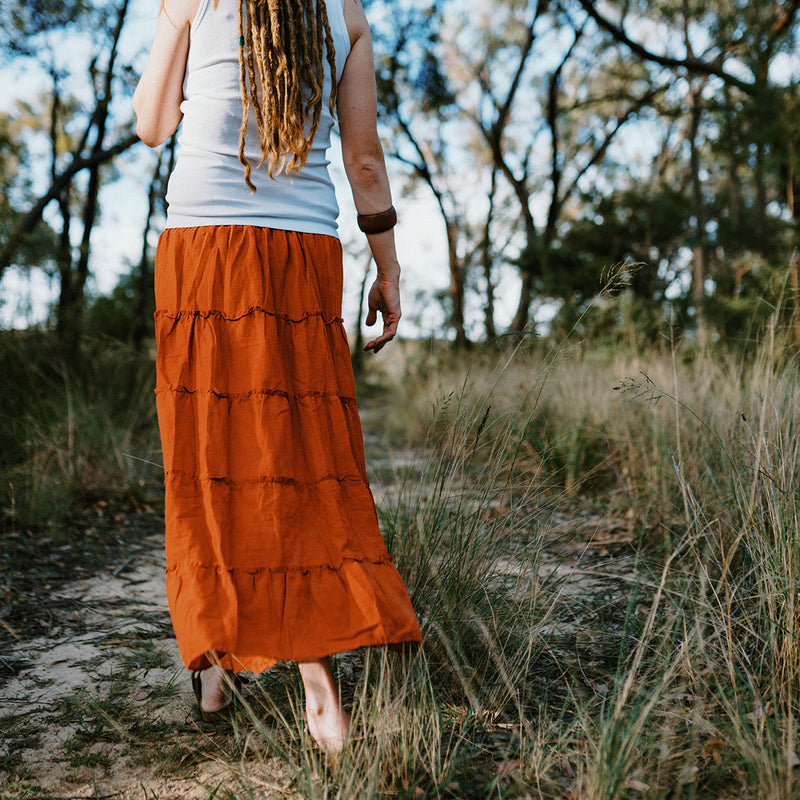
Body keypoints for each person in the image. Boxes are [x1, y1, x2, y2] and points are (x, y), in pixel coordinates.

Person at [133, 0, 422, 753]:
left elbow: (152, 123)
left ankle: (215, 656)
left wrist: (171, 22)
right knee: (297, 462)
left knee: (209, 461)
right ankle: (319, 690)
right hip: (302, 256)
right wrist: (388, 268)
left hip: (202, 251)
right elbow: (363, 159)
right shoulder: (347, 15)